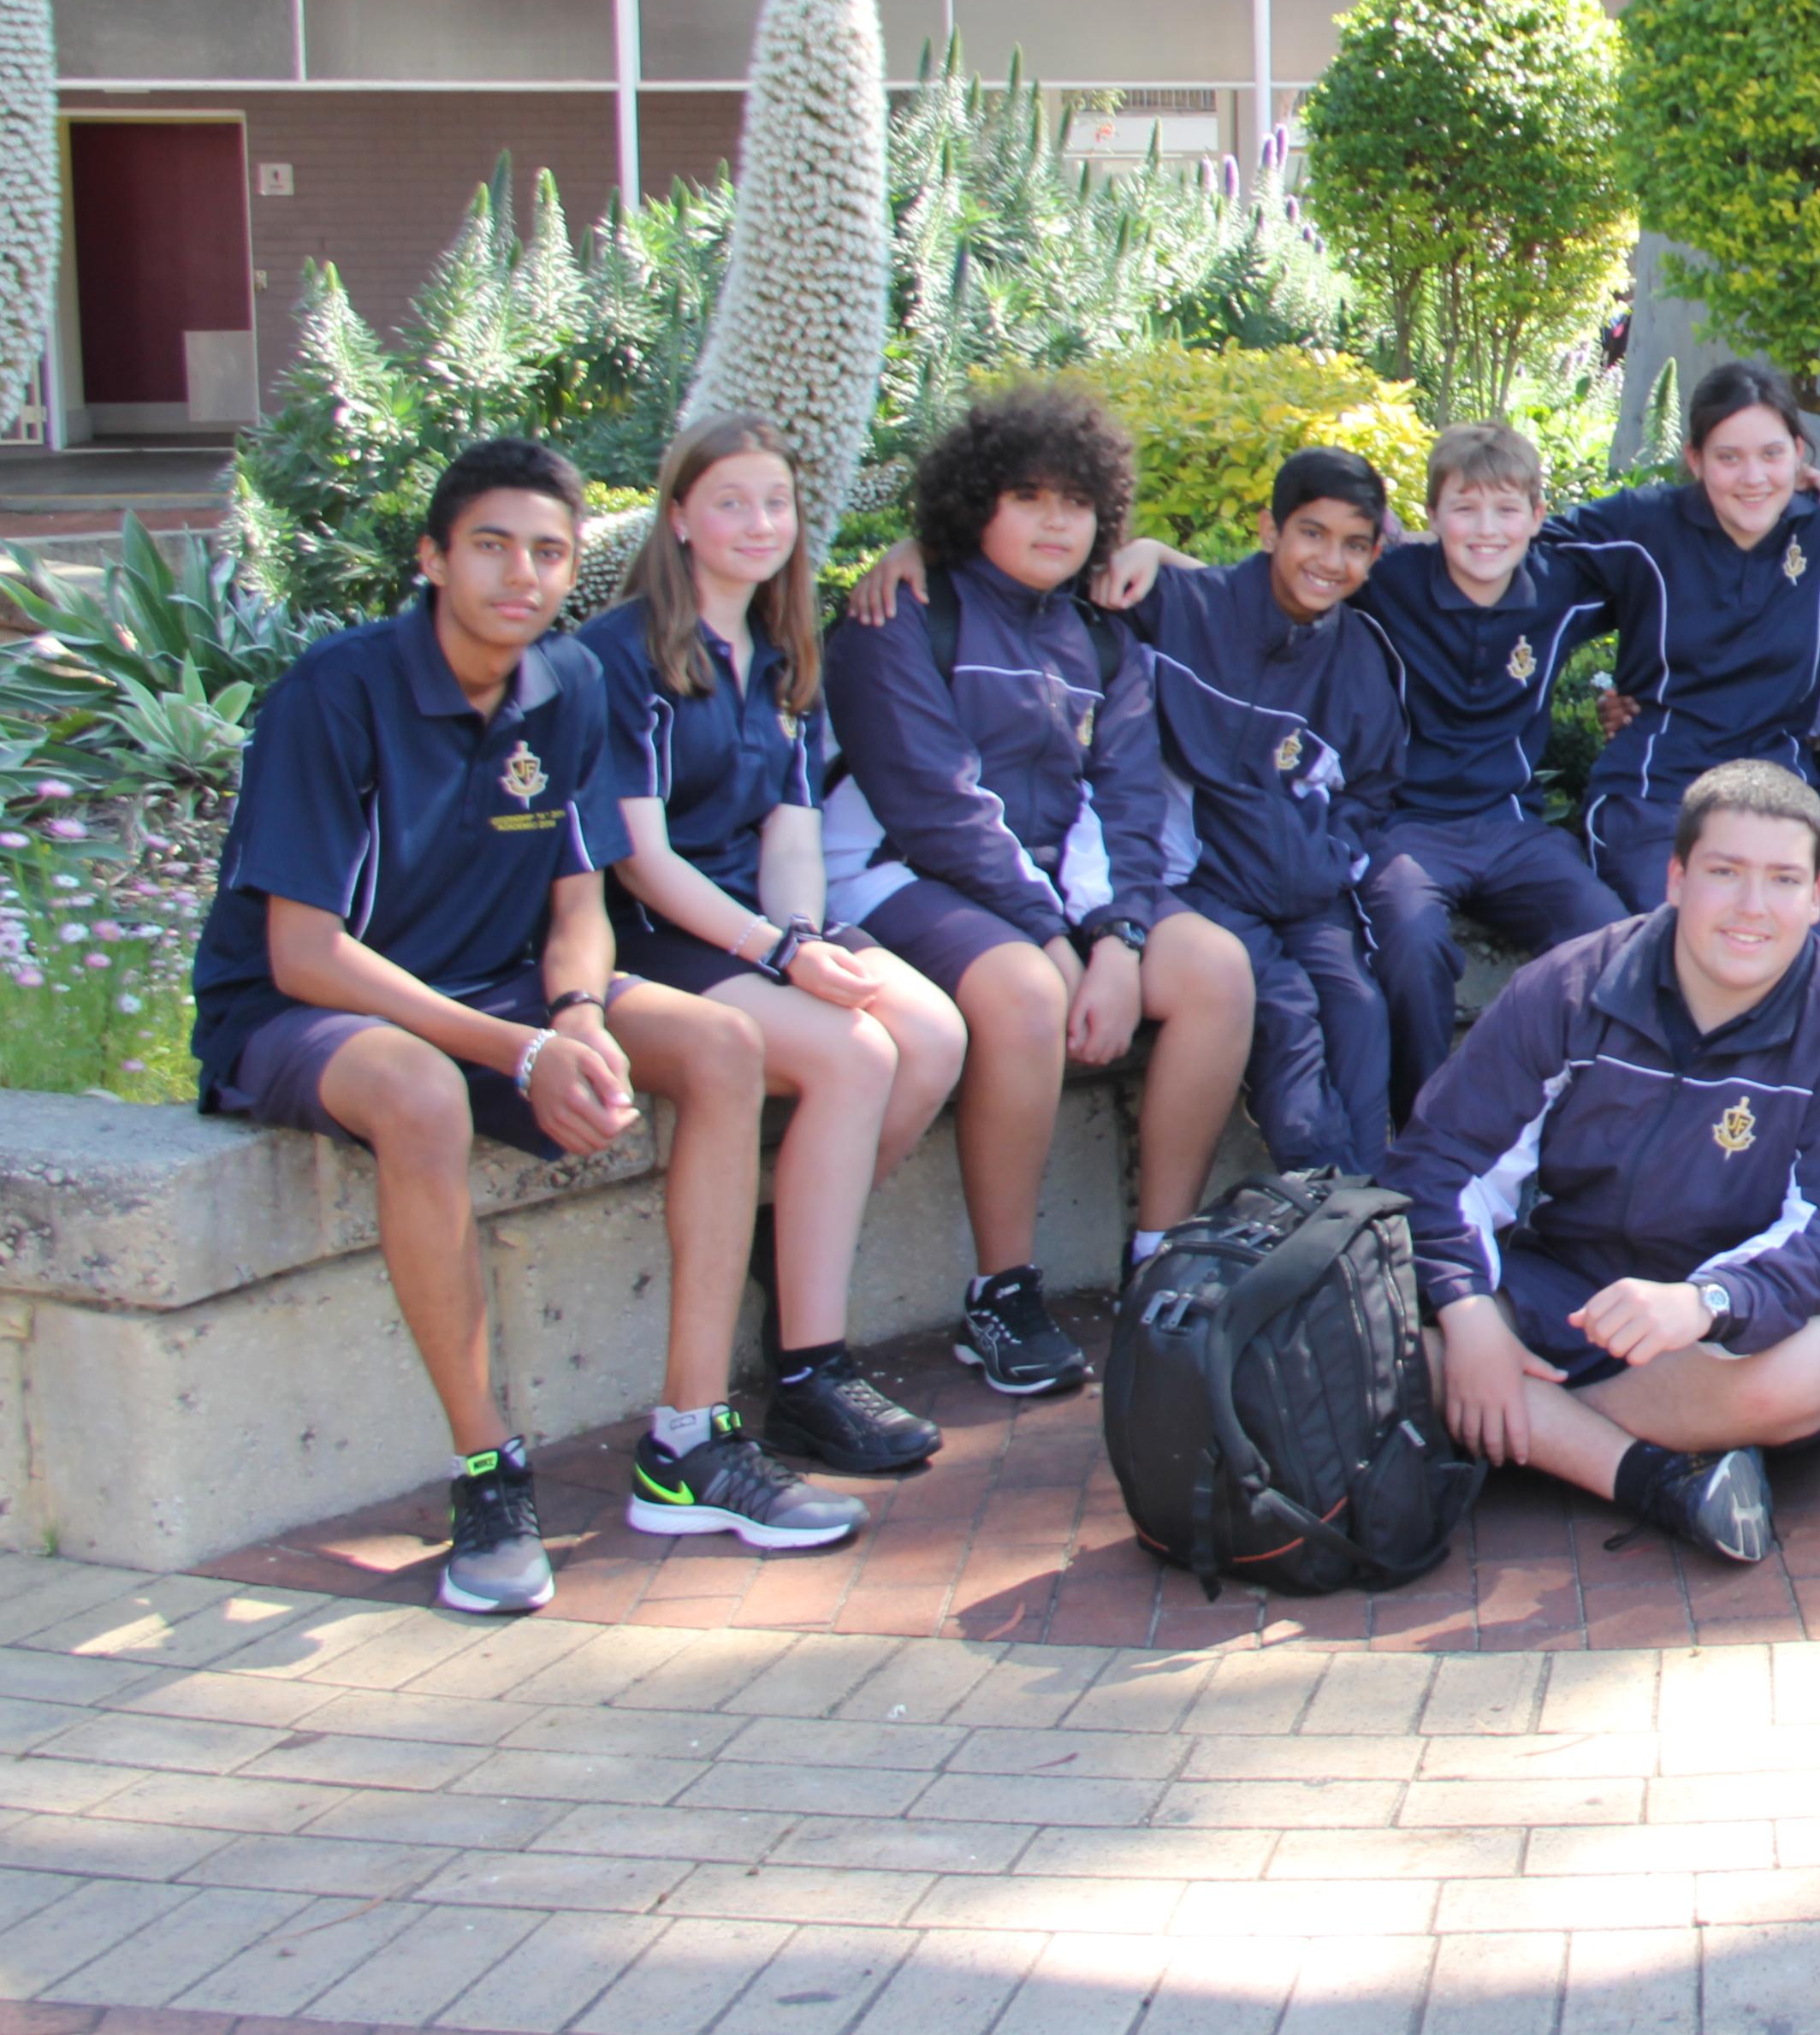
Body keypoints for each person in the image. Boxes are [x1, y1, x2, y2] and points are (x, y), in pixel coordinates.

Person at [191, 439, 852, 1615]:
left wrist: (578, 1016)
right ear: (433, 558)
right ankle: (488, 1473)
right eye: (492, 546)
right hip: (310, 1011)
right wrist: (521, 1051)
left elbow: (580, 908)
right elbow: (305, 952)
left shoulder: (570, 684)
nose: (523, 575)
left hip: (499, 988)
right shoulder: (336, 692)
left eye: (549, 552)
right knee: (419, 1092)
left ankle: (688, 1442)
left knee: (723, 1044)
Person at [820, 383, 1259, 1399]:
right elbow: (936, 806)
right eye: (1027, 497)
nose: (1055, 522)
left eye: (1076, 502)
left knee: (1216, 972)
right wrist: (1058, 943)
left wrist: (1119, 937)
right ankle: (1002, 1292)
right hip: (898, 875)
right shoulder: (903, 615)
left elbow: (1124, 803)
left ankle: (1157, 1263)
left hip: (1052, 893)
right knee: (1025, 991)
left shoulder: (1105, 639)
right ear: (975, 501)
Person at [1384, 761, 1820, 1564]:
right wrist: (1469, 1313)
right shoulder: (1570, 988)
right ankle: (1657, 1476)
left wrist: (1706, 1301)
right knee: (1385, 1346)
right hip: (1574, 1286)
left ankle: (1516, 1426)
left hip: (1738, 1316)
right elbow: (1439, 1162)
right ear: (1676, 878)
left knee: (1813, 1373)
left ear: (1815, 897)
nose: (1752, 907)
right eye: (1725, 873)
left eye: (1781, 880)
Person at [585, 413, 967, 1479]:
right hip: (656, 937)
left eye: (776, 503)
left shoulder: (784, 650)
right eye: (731, 503)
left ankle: (790, 1248)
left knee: (933, 1035)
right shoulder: (622, 655)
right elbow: (641, 860)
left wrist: (803, 940)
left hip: (761, 927)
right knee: (856, 1053)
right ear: (678, 518)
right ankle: (810, 1372)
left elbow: (791, 834)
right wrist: (778, 954)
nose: (759, 524)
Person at [1091, 448, 1409, 1178]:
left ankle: (1369, 1209)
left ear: (1373, 556)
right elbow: (1041, 583)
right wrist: (918, 554)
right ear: (1270, 529)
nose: (1329, 560)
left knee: (1358, 1007)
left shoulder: (1363, 661)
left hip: (1306, 890)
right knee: (1287, 1012)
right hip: (1197, 886)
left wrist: (1328, 859)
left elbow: (1371, 789)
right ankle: (1328, 1199)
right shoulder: (1182, 607)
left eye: (1353, 545)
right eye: (1312, 534)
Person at [1347, 419, 1625, 1116]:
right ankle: (1422, 1130)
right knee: (1409, 939)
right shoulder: (1388, 583)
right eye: (1465, 508)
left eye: (1506, 509)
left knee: (1608, 935)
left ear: (1537, 515)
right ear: (1432, 514)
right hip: (1409, 826)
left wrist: (1638, 696)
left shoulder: (1561, 588)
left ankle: (1579, 1130)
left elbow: (1670, 586)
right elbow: (1280, 580)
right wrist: (1152, 552)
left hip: (1512, 826)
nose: (1486, 530)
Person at [1556, 359, 1820, 912]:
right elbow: (1508, 545)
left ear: (1799, 453)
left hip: (1779, 798)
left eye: (1771, 454)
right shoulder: (1645, 526)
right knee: (1693, 933)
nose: (1753, 478)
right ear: (1695, 459)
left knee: (1819, 950)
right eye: (1729, 457)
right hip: (1656, 795)